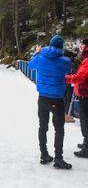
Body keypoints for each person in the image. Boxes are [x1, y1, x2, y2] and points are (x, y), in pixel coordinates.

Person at [29, 34, 72, 169]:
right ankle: (58, 159)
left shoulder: (40, 57)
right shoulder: (65, 61)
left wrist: (36, 52)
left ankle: (44, 155)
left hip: (42, 98)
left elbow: (30, 65)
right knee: (59, 128)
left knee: (43, 126)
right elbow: (67, 68)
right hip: (57, 99)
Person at [66, 38, 88, 158]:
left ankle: (87, 148)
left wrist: (67, 79)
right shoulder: (85, 59)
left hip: (86, 95)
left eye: (82, 45)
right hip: (84, 94)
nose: (80, 47)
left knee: (85, 122)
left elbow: (81, 77)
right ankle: (86, 143)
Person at [63, 47, 80, 123]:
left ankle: (65, 114)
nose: (76, 53)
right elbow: (74, 70)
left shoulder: (64, 58)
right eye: (76, 51)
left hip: (63, 81)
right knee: (69, 99)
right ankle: (67, 115)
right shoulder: (71, 60)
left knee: (65, 98)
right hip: (69, 81)